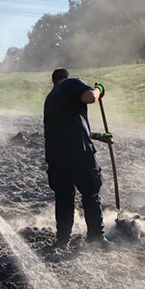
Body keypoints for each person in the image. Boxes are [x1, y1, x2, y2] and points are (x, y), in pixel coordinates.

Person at [43, 68, 113, 248]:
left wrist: (97, 136)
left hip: (56, 157)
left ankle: (62, 240)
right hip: (78, 153)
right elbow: (90, 97)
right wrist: (99, 89)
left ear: (53, 82)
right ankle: (96, 237)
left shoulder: (50, 99)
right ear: (65, 78)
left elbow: (69, 128)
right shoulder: (71, 83)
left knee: (64, 197)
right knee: (90, 193)